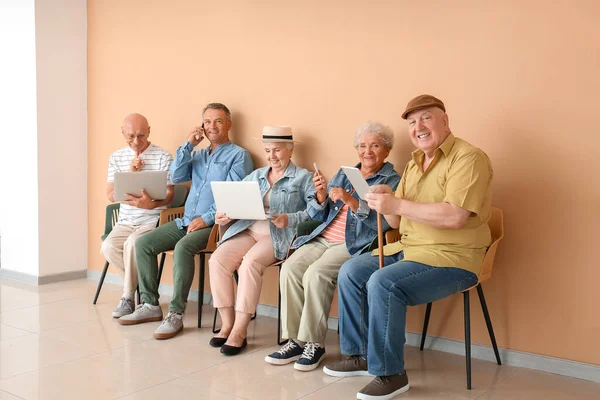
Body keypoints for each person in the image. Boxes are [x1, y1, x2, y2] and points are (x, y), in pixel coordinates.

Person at [323, 95, 494, 400]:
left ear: (445, 121)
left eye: (426, 118)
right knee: (351, 270)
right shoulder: (415, 163)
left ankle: (391, 373)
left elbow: (455, 216)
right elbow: (395, 220)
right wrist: (384, 198)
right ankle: (361, 355)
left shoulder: (468, 158)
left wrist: (397, 202)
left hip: (453, 258)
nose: (419, 127)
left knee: (382, 282)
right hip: (410, 249)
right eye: (412, 122)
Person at [265, 121, 401, 371]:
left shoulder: (392, 179)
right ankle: (296, 340)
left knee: (316, 274)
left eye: (375, 145)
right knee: (290, 268)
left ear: (387, 150)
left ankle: (314, 343)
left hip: (353, 243)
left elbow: (384, 225)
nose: (367, 151)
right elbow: (319, 214)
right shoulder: (345, 172)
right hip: (323, 236)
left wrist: (351, 200)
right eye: (362, 146)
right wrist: (320, 196)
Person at [119, 103, 254, 341]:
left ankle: (175, 313)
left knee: (182, 248)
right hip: (186, 221)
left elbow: (233, 198)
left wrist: (206, 218)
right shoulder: (199, 154)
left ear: (229, 124)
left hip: (217, 226)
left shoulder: (239, 155)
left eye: (218, 121)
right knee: (143, 244)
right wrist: (189, 144)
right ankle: (150, 305)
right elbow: (178, 175)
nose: (212, 126)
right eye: (208, 121)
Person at [209, 126, 315, 356]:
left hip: (278, 236)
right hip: (248, 229)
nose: (272, 156)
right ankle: (227, 323)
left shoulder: (303, 177)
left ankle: (240, 330)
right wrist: (224, 213)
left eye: (277, 150)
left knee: (250, 263)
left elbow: (315, 212)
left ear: (290, 149)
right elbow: (234, 202)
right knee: (217, 260)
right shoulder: (256, 175)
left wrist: (290, 219)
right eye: (268, 150)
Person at [101, 113, 174, 318]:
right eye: (130, 136)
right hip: (125, 221)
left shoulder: (163, 156)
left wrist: (151, 204)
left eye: (141, 136)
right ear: (122, 132)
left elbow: (170, 194)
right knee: (108, 246)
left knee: (132, 243)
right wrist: (131, 173)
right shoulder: (116, 157)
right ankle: (140, 291)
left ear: (149, 131)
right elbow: (110, 195)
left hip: (153, 220)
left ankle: (127, 297)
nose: (136, 141)